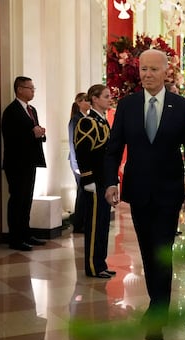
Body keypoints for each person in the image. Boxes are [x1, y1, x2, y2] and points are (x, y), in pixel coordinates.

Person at [104, 49, 185, 340]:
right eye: (143, 69)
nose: (147, 74)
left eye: (153, 70)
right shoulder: (128, 106)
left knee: (162, 250)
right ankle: (156, 303)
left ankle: (158, 313)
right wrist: (110, 182)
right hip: (138, 190)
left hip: (169, 191)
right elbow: (114, 146)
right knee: (147, 251)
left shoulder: (182, 107)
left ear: (165, 72)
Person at [73, 84, 116, 278]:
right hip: (95, 180)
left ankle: (101, 263)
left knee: (103, 223)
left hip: (103, 181)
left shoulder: (102, 121)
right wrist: (87, 178)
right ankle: (93, 265)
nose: (109, 99)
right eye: (106, 96)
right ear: (95, 99)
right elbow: (83, 154)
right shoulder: (87, 122)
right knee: (94, 224)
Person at [1, 76, 47, 251]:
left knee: (27, 200)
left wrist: (40, 132)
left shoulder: (31, 109)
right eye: (30, 88)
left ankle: (26, 233)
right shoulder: (11, 111)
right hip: (16, 163)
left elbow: (33, 129)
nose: (33, 91)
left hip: (30, 161)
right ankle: (15, 238)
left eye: (33, 88)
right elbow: (11, 137)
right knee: (17, 200)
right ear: (19, 89)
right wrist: (32, 134)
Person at [68, 92, 90, 233]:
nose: (89, 102)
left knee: (85, 191)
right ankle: (78, 223)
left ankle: (83, 221)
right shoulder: (75, 119)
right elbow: (72, 141)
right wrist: (76, 164)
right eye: (86, 100)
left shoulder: (86, 118)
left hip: (86, 161)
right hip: (78, 161)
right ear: (79, 103)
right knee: (82, 192)